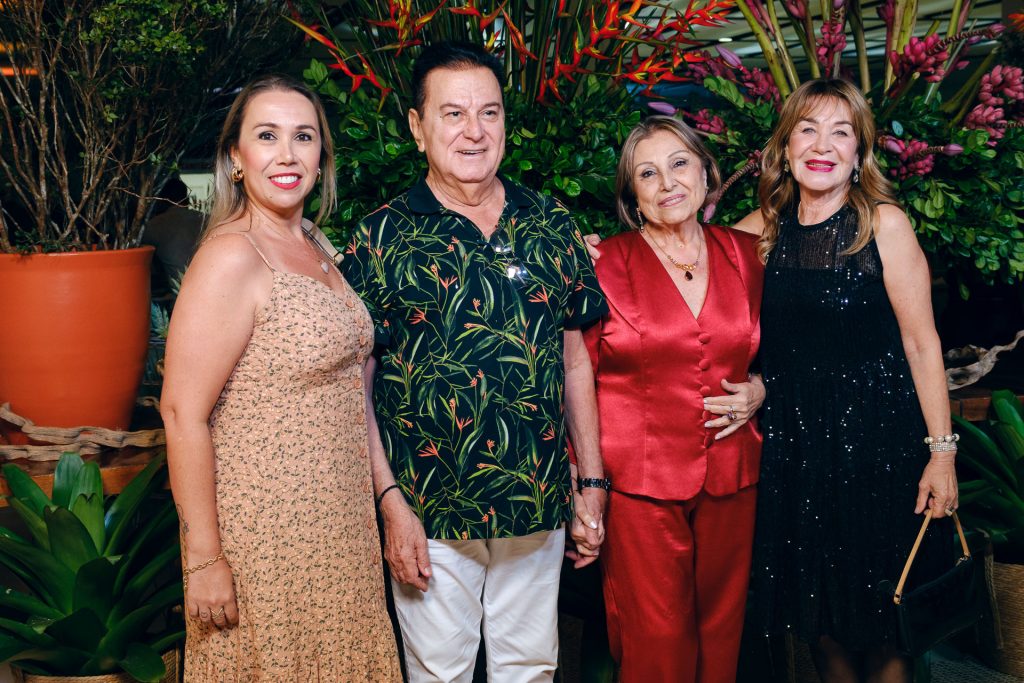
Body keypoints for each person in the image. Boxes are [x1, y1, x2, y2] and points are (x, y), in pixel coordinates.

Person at [342, 41, 608, 682]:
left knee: (532, 668)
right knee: (440, 674)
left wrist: (593, 484)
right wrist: (390, 503)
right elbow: (356, 388)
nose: (474, 131)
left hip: (535, 498)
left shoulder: (550, 223)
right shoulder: (379, 238)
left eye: (489, 113)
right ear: (417, 127)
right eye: (453, 113)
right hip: (428, 508)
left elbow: (574, 362)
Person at [160, 75, 401, 681]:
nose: (287, 155)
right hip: (265, 541)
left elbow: (349, 386)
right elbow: (181, 413)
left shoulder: (313, 241)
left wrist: (386, 497)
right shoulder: (232, 256)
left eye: (304, 137)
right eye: (267, 136)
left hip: (339, 532)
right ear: (236, 158)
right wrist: (204, 559)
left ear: (322, 156)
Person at [735, 78, 958, 683]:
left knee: (888, 623)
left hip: (882, 448)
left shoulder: (884, 224)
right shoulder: (759, 231)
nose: (822, 145)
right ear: (785, 148)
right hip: (799, 452)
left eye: (841, 132)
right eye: (807, 129)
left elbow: (922, 344)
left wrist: (941, 455)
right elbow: (674, 261)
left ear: (859, 153)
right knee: (821, 621)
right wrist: (594, 253)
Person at [583, 116, 765, 682]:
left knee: (723, 628)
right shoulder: (600, 265)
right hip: (638, 484)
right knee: (656, 639)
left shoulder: (748, 254)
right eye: (647, 173)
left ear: (707, 174)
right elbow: (574, 379)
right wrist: (582, 484)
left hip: (733, 473)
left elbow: (792, 351)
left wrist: (764, 387)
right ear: (631, 197)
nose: (668, 183)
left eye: (680, 163)